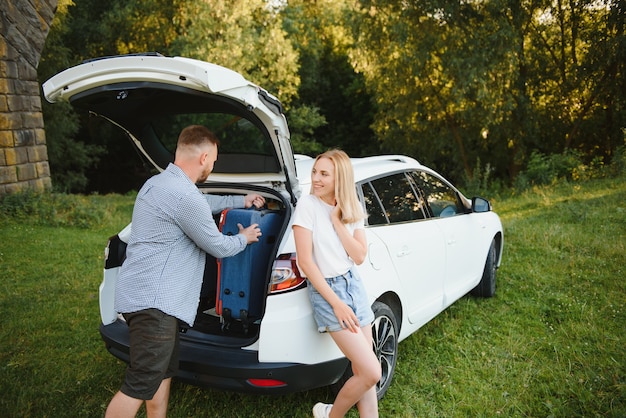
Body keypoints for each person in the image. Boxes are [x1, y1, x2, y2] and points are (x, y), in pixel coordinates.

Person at [105, 125, 265, 418]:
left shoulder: (159, 184)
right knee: (140, 382)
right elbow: (217, 245)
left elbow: (201, 203)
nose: (212, 166)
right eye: (213, 160)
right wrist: (246, 237)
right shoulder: (183, 196)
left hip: (144, 297)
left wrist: (239, 201)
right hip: (154, 304)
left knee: (162, 373)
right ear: (204, 157)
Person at [292, 150, 381, 418]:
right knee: (372, 370)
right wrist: (337, 304)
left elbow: (359, 255)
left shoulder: (350, 206)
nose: (315, 179)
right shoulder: (307, 206)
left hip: (353, 285)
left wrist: (337, 221)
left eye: (323, 174)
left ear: (339, 178)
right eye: (315, 172)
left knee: (362, 370)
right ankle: (331, 415)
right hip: (327, 291)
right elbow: (306, 263)